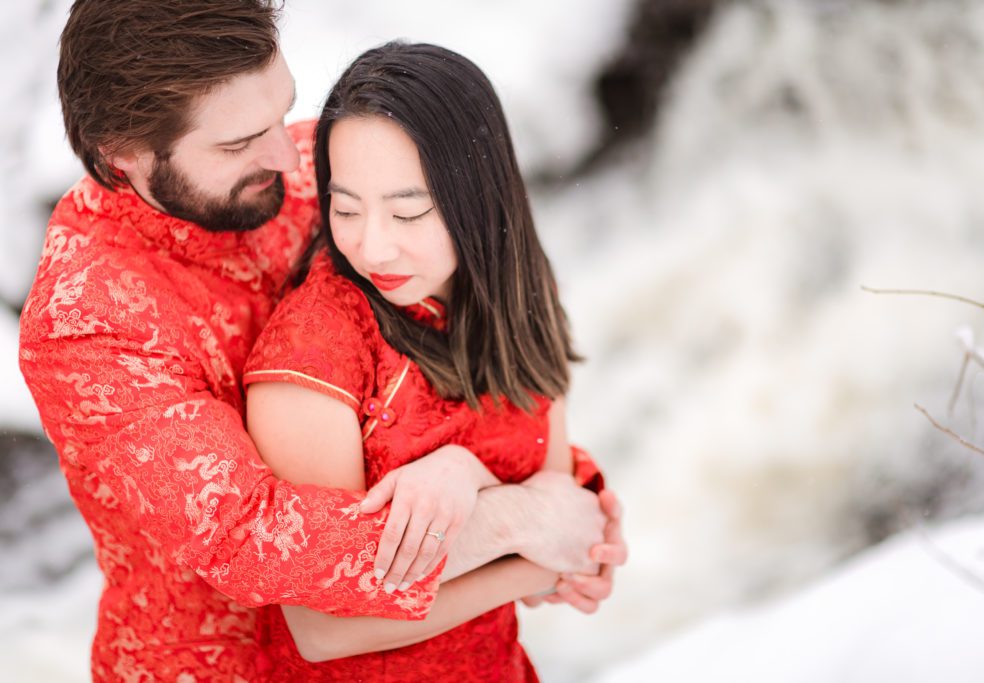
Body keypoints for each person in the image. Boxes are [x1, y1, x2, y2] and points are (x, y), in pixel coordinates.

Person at [18, 2, 626, 681]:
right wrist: (517, 521)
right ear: (122, 157)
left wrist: (551, 487)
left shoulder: (322, 175)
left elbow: (446, 341)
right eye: (238, 142)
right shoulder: (87, 322)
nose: (288, 154)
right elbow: (255, 537)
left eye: (282, 112)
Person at [241, 41, 619, 681]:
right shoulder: (314, 350)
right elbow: (324, 627)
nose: (372, 244)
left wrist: (466, 475)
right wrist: (529, 546)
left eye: (408, 210)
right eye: (347, 208)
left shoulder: (518, 293)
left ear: (477, 195)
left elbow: (566, 533)